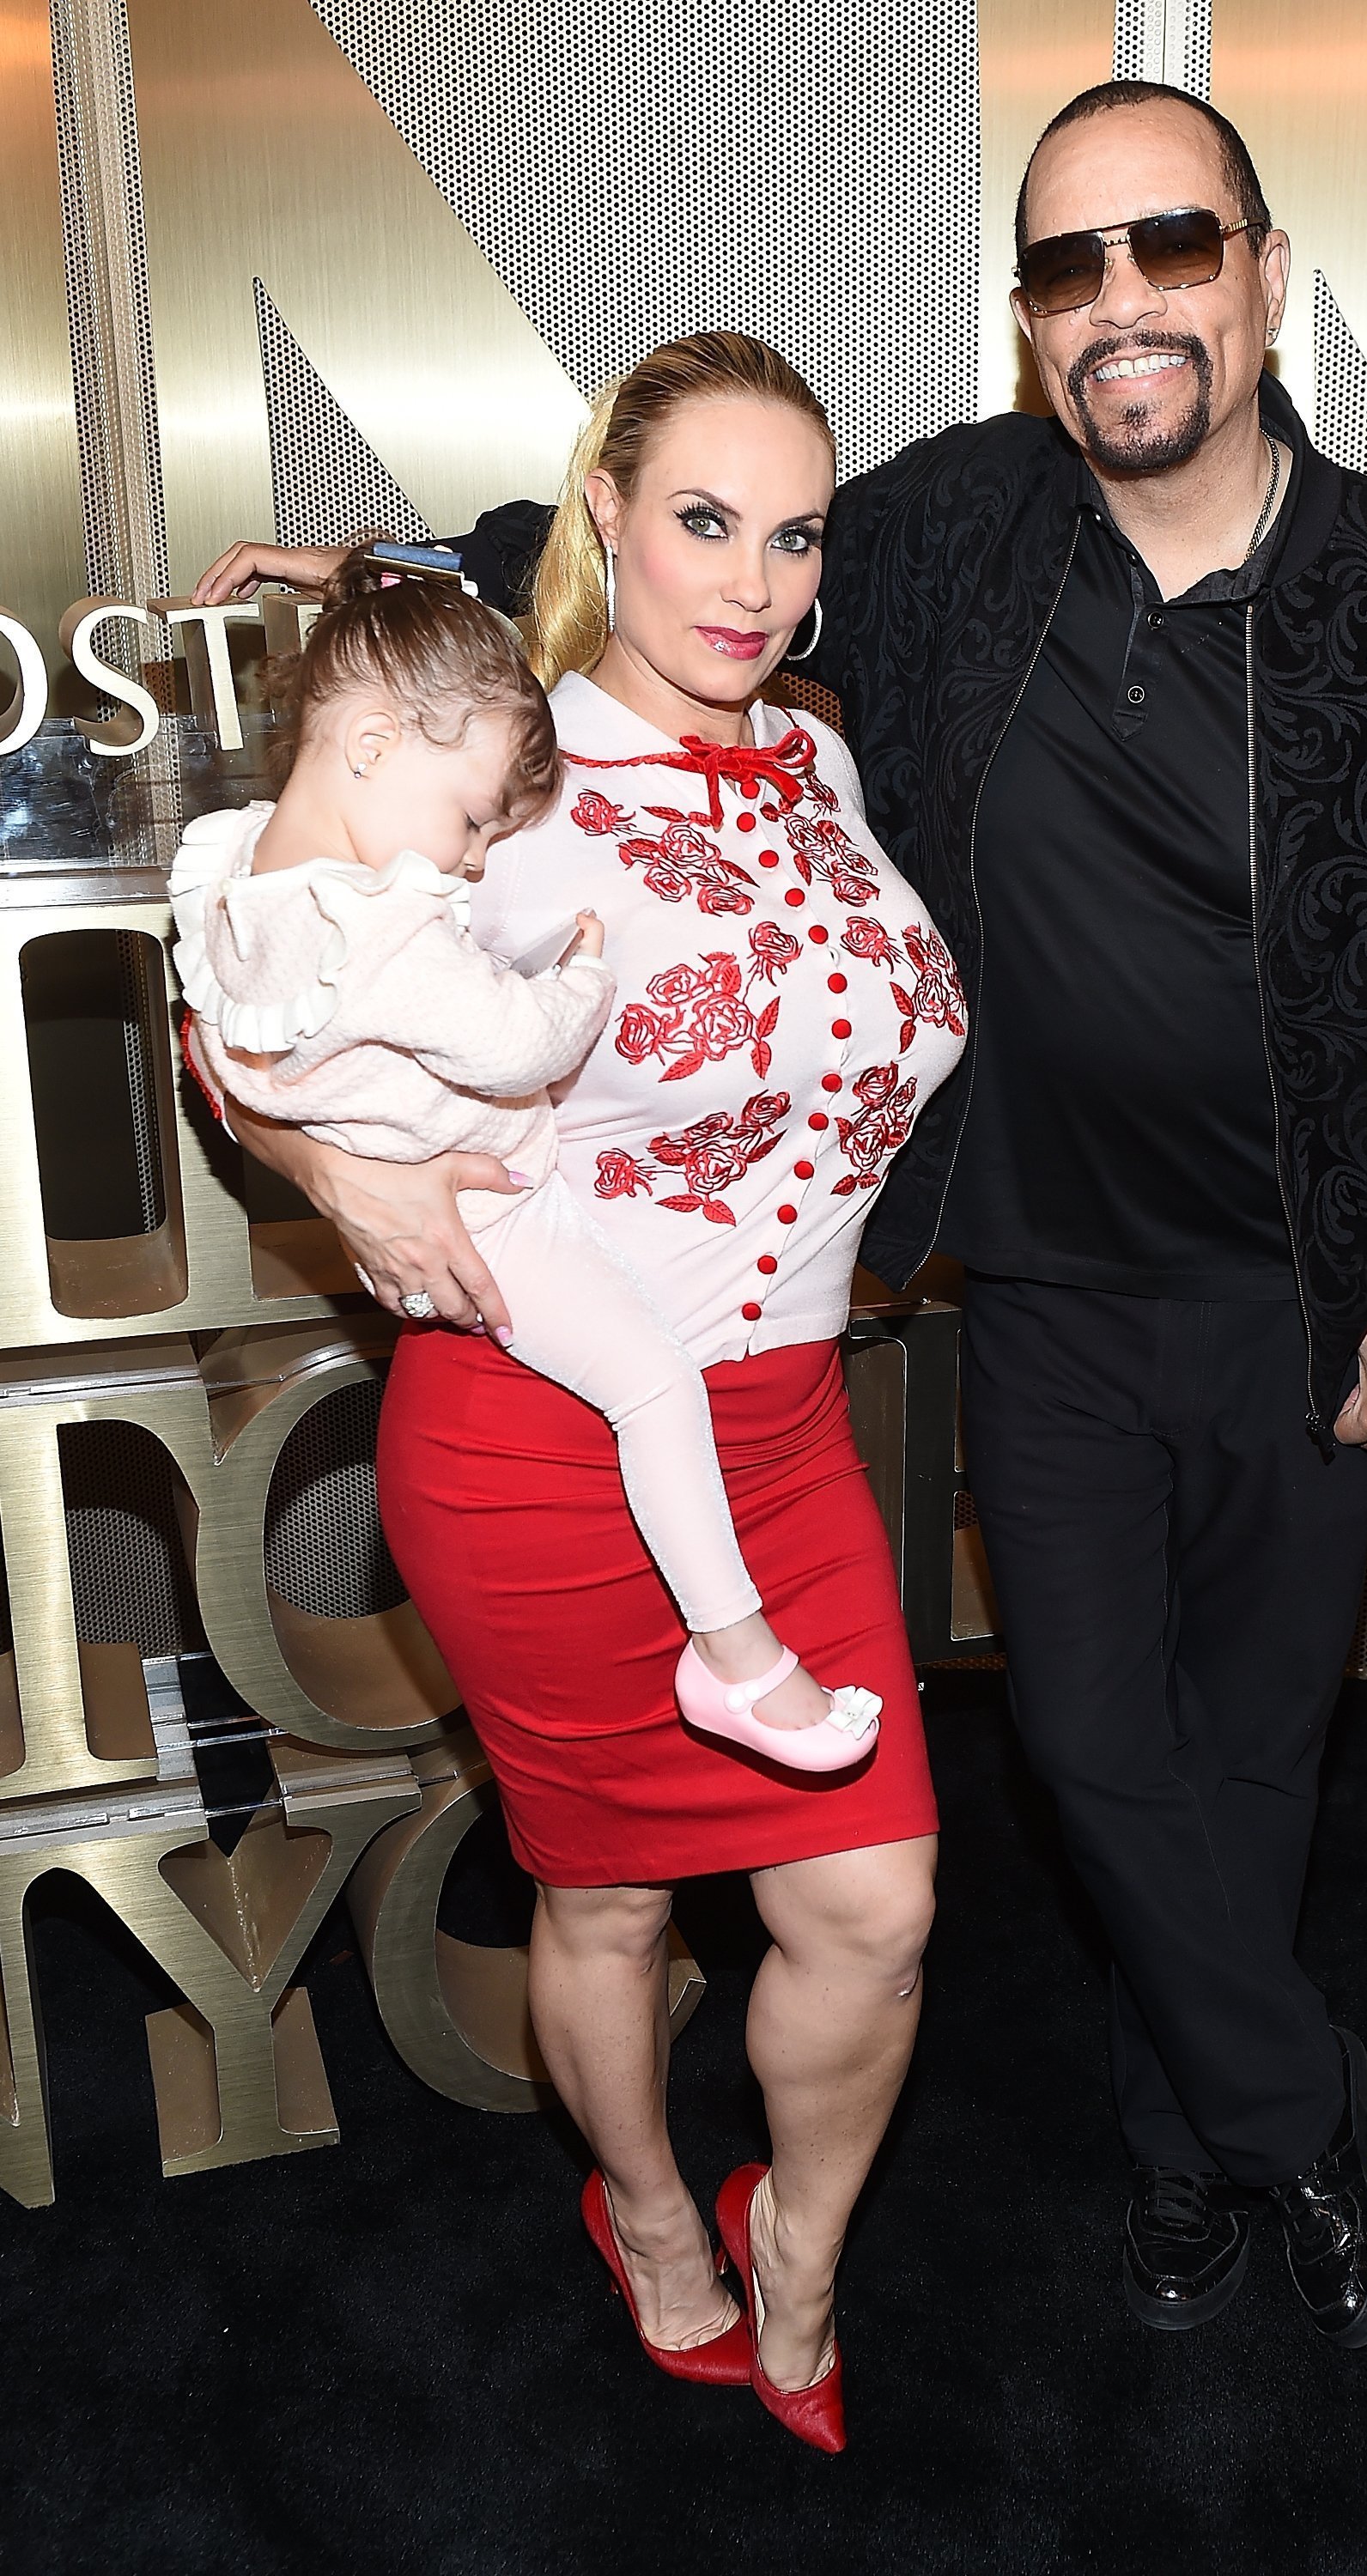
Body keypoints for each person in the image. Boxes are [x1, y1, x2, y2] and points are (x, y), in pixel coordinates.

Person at [197, 81, 1367, 2357]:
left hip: (1315, 1310)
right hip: (1038, 1298)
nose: (1123, 303)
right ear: (1035, 317)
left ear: (1261, 274)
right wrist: (420, 580)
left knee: (1248, 1758)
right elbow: (684, 544)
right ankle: (1297, 2114)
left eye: (1171, 249)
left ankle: (1183, 2154)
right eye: (1069, 268)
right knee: (1084, 1749)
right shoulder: (955, 529)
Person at [202, 332, 966, 2451]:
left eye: (791, 534)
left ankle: (799, 2240)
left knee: (877, 1908)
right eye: (701, 520)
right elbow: (249, 977)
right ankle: (645, 2213)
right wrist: (328, 1155)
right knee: (608, 1894)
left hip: (786, 1433)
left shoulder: (815, 756)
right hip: (544, 1440)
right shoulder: (505, 769)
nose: (748, 579)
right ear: (601, 519)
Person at [172, 561, 882, 1772]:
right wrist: (584, 976)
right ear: (373, 743)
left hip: (545, 1263)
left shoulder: (229, 872)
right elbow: (523, 1043)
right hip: (503, 1231)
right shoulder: (388, 929)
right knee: (655, 1387)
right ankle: (738, 1660)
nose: (472, 862)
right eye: (470, 819)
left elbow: (218, 1040)